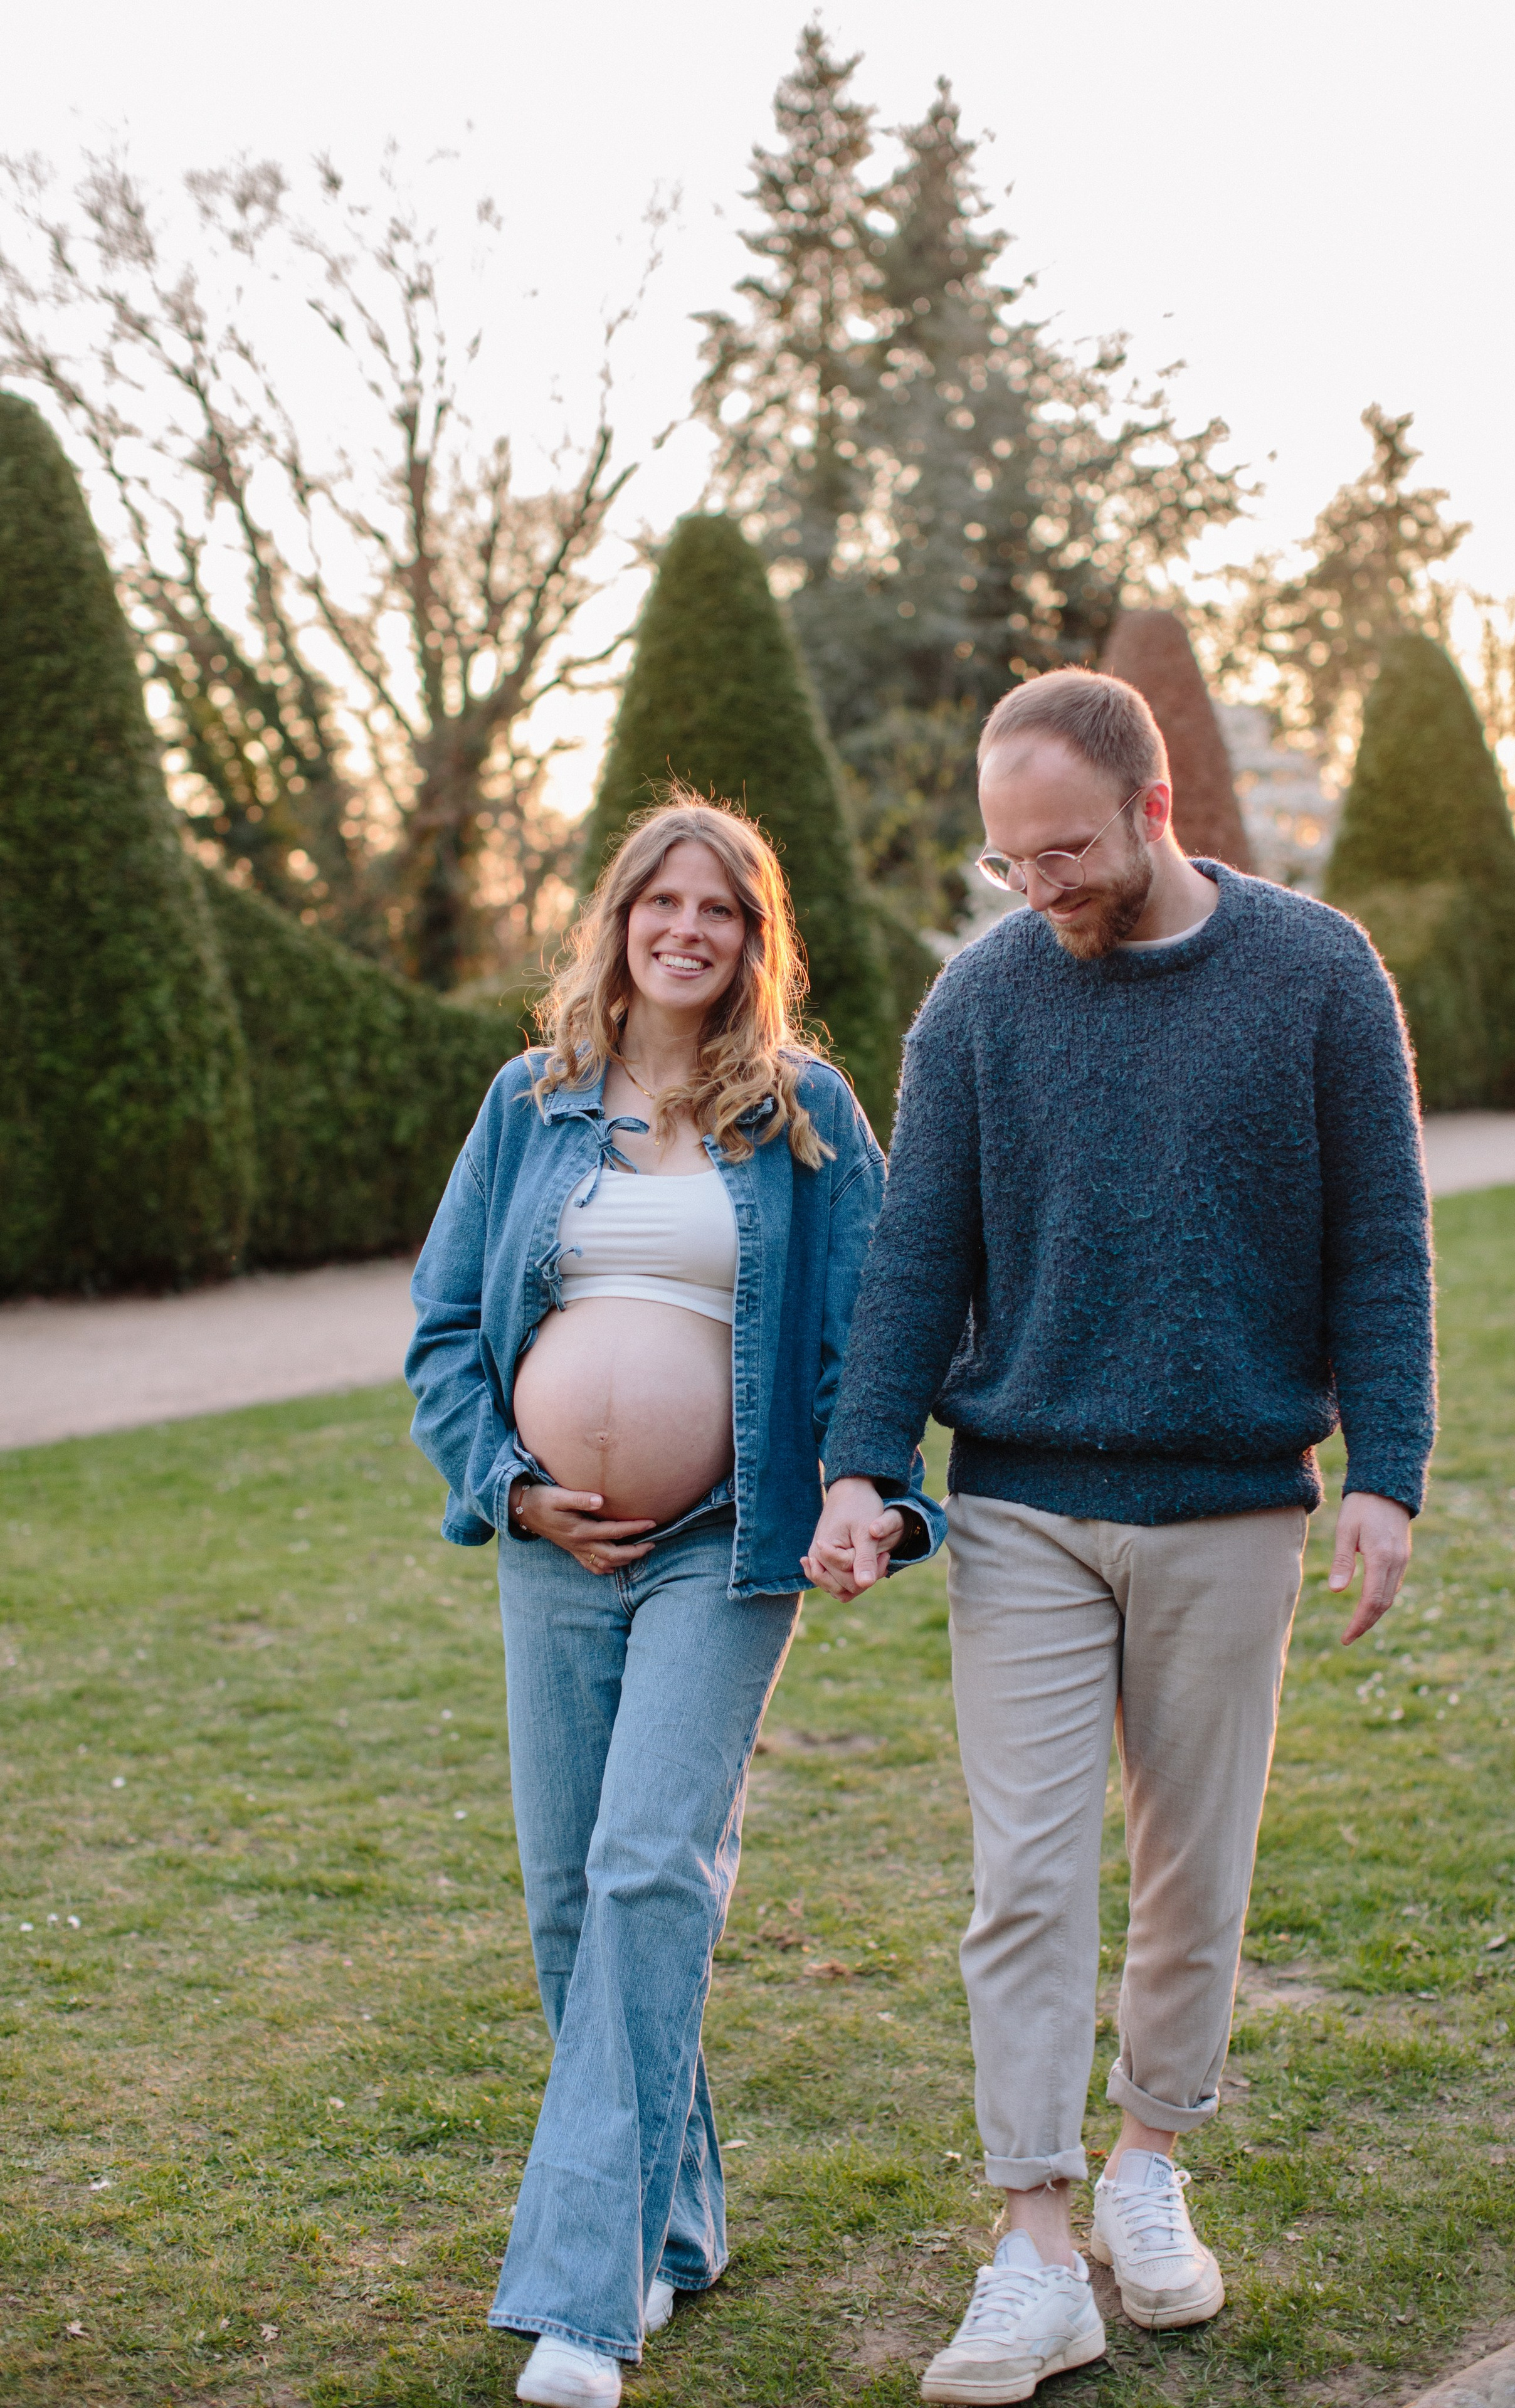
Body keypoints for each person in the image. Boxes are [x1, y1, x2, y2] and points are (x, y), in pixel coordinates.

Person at [805, 668, 1435, 2404]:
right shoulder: (981, 1005)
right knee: (1021, 1876)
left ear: (1158, 810)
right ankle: (1032, 2245)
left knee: (1190, 1871)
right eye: (1012, 861)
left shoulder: (1314, 973)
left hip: (1231, 1501)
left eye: (1067, 849)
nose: (1039, 889)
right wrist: (864, 1466)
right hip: (1020, 1503)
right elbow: (918, 1258)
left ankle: (1152, 2165)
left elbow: (1381, 1239)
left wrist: (1390, 1468)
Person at [406, 793, 939, 2408]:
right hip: (549, 1542)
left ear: (754, 938)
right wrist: (511, 1484)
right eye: (663, 904)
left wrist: (876, 1492)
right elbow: (442, 1327)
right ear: (621, 920)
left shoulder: (808, 1113)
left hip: (726, 1541)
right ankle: (674, 2220)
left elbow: (882, 1332)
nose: (688, 931)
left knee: (651, 1869)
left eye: (723, 910)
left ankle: (584, 2303)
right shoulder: (532, 1100)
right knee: (575, 1896)